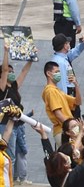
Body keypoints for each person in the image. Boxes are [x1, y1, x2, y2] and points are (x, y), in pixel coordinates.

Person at [0, 44, 33, 184]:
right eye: (9, 71)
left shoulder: (14, 86)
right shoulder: (1, 88)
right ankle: (10, 179)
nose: (12, 73)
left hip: (19, 124)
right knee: (10, 154)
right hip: (6, 125)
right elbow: (5, 69)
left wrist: (31, 58)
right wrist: (6, 52)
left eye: (13, 71)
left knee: (22, 151)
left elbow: (24, 72)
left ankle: (22, 178)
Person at [42, 61, 82, 144]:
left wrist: (76, 85)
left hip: (66, 130)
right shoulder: (51, 91)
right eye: (56, 72)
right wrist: (71, 128)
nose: (59, 74)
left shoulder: (58, 91)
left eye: (59, 72)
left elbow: (77, 102)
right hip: (63, 131)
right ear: (48, 73)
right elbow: (58, 114)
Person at [51, 31, 84, 119]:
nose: (69, 44)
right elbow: (61, 84)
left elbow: (75, 51)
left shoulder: (63, 57)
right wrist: (65, 105)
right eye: (68, 43)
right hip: (68, 99)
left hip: (71, 97)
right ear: (65, 46)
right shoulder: (59, 62)